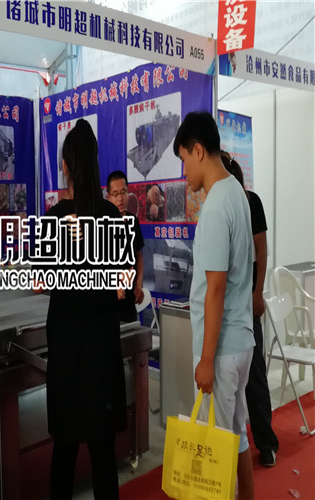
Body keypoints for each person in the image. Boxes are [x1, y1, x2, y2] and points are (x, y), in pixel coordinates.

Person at [43, 119, 127, 500]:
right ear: (94, 164)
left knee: (64, 451)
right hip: (101, 351)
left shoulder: (54, 219)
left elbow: (42, 281)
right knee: (102, 453)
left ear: (65, 166)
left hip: (66, 351)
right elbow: (121, 282)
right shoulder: (112, 217)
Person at [173, 111, 255, 500]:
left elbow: (216, 288)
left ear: (199, 150)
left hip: (220, 351)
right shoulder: (237, 192)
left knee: (214, 452)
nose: (184, 171)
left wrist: (206, 360)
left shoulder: (218, 203)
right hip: (240, 342)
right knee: (236, 438)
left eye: (184, 159)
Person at [221, 151, 279, 467]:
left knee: (254, 373)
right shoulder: (217, 208)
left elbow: (261, 249)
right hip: (225, 305)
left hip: (247, 303)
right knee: (226, 380)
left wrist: (258, 293)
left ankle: (266, 442)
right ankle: (228, 446)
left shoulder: (251, 202)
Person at [107, 170, 145, 322]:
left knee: (131, 333)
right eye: (115, 194)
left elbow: (138, 255)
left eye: (123, 192)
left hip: (129, 299)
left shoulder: (133, 221)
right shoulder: (101, 224)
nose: (120, 199)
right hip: (109, 300)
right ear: (108, 197)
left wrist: (139, 284)